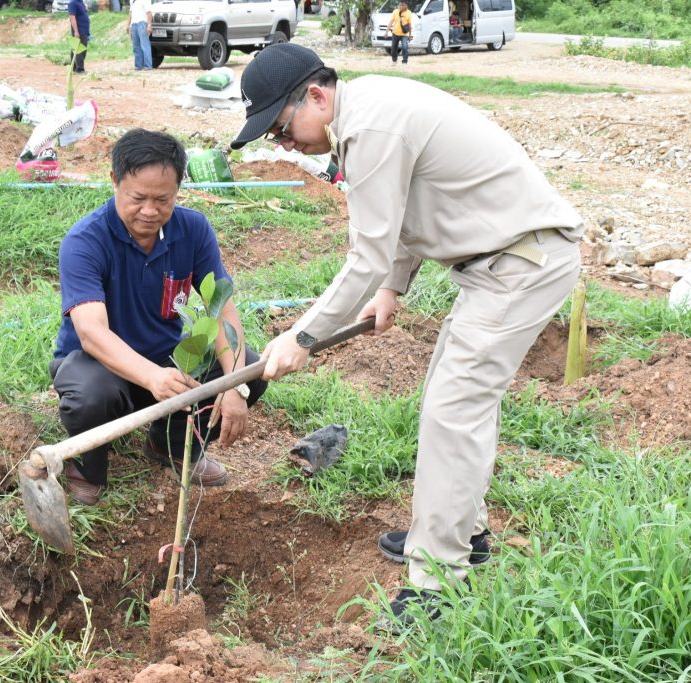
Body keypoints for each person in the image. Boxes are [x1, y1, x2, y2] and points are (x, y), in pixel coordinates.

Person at [230, 44, 582, 632]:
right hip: (502, 265)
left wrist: (301, 336)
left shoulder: (371, 127)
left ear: (315, 96)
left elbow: (364, 252)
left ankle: (439, 580)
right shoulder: (369, 112)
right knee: (455, 405)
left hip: (521, 264)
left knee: (454, 410)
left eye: (282, 128)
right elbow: (404, 212)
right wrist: (393, 288)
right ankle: (459, 534)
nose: (284, 144)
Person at [50, 129, 268, 506]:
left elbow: (221, 310)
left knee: (249, 368)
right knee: (91, 395)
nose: (150, 211)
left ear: (179, 189)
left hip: (167, 359)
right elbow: (91, 332)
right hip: (99, 364)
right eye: (138, 198)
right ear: (115, 181)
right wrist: (151, 377)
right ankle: (88, 466)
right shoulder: (85, 241)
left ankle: (170, 445)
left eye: (162, 200)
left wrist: (234, 385)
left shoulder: (193, 231)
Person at [384, 0, 414, 65]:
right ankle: (394, 61)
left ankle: (404, 61)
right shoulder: (395, 12)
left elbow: (409, 25)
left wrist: (410, 35)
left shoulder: (409, 13)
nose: (400, 6)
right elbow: (391, 22)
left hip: (404, 34)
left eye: (402, 5)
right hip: (395, 33)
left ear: (406, 5)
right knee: (393, 48)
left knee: (405, 47)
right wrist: (386, 32)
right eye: (400, 5)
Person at [129, 0, 154, 71]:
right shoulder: (132, 0)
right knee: (136, 46)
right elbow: (130, 13)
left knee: (145, 45)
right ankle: (138, 66)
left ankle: (148, 66)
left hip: (142, 23)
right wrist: (128, 24)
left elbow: (149, 13)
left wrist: (149, 25)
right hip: (134, 24)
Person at [67, 0, 90, 74]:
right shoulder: (73, 3)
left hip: (84, 30)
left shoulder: (81, 2)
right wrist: (76, 31)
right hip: (79, 31)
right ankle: (80, 69)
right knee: (80, 50)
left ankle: (73, 67)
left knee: (75, 48)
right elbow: (72, 17)